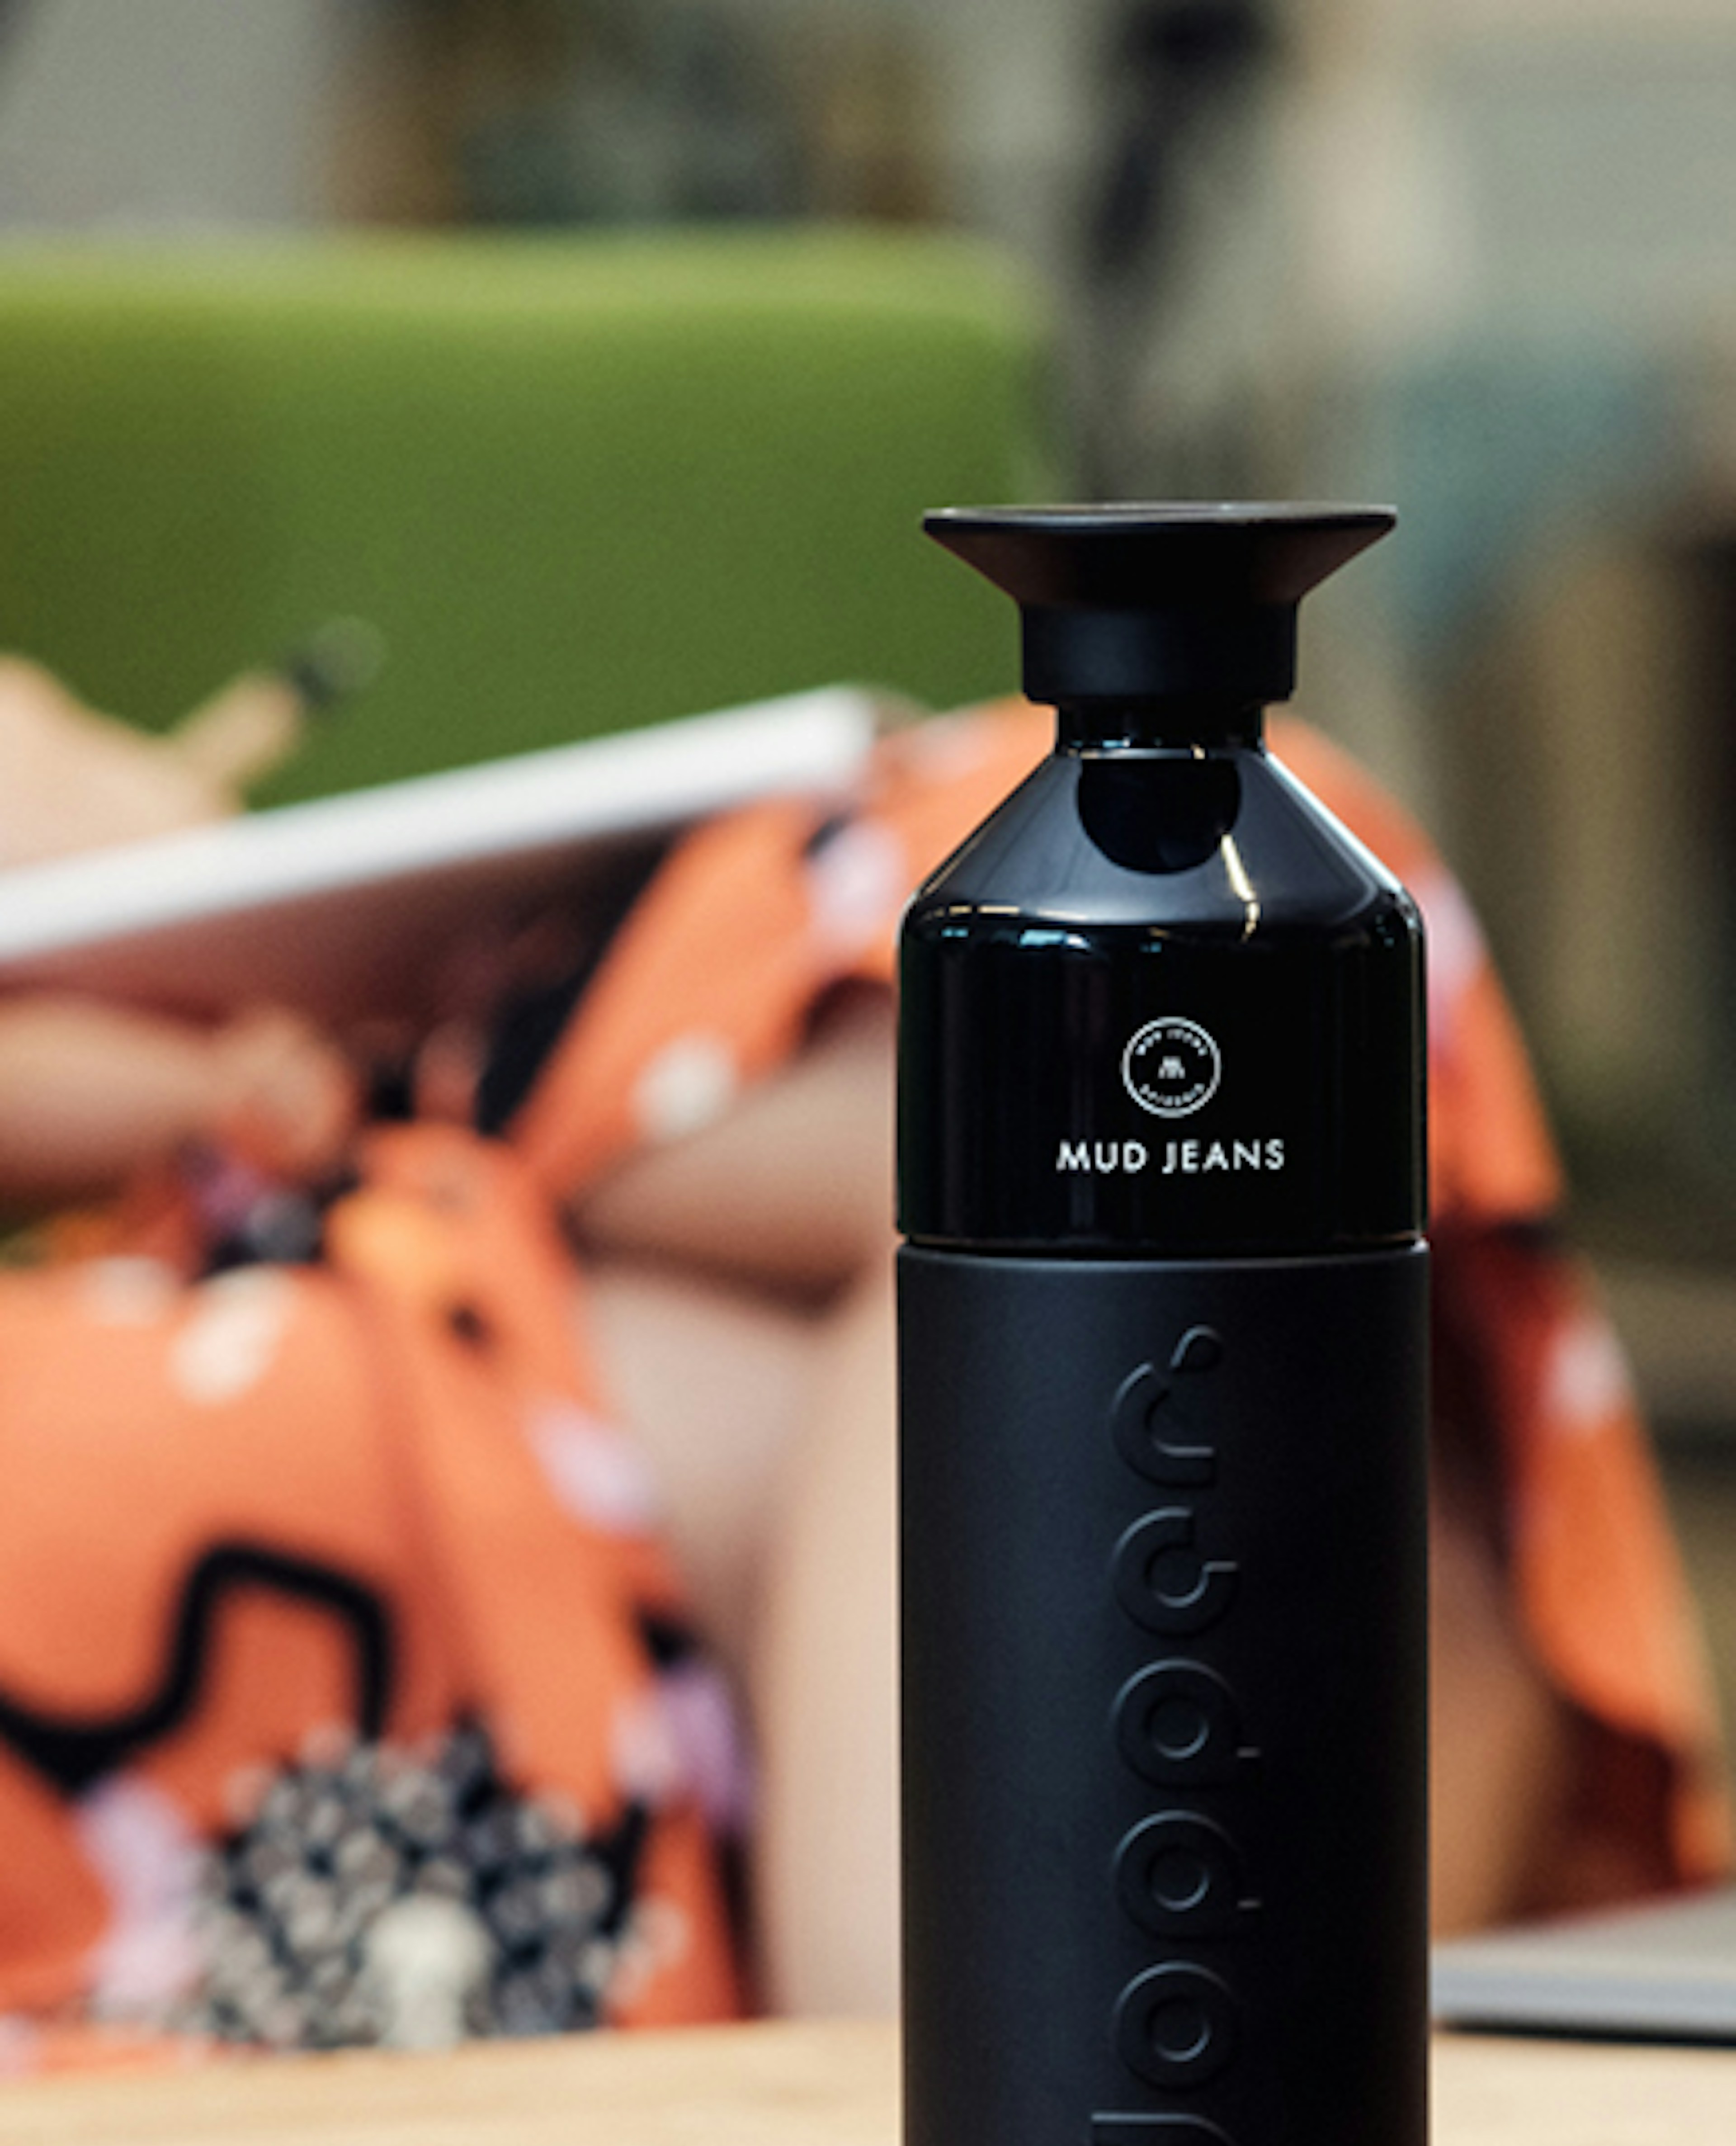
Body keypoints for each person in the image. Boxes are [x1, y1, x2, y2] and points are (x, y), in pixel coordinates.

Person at [0, 658, 1723, 2068]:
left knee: (1185, 874)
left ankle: (516, 1062)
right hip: (289, 1288)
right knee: (1212, 1194)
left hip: (366, 1216)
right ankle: (517, 1062)